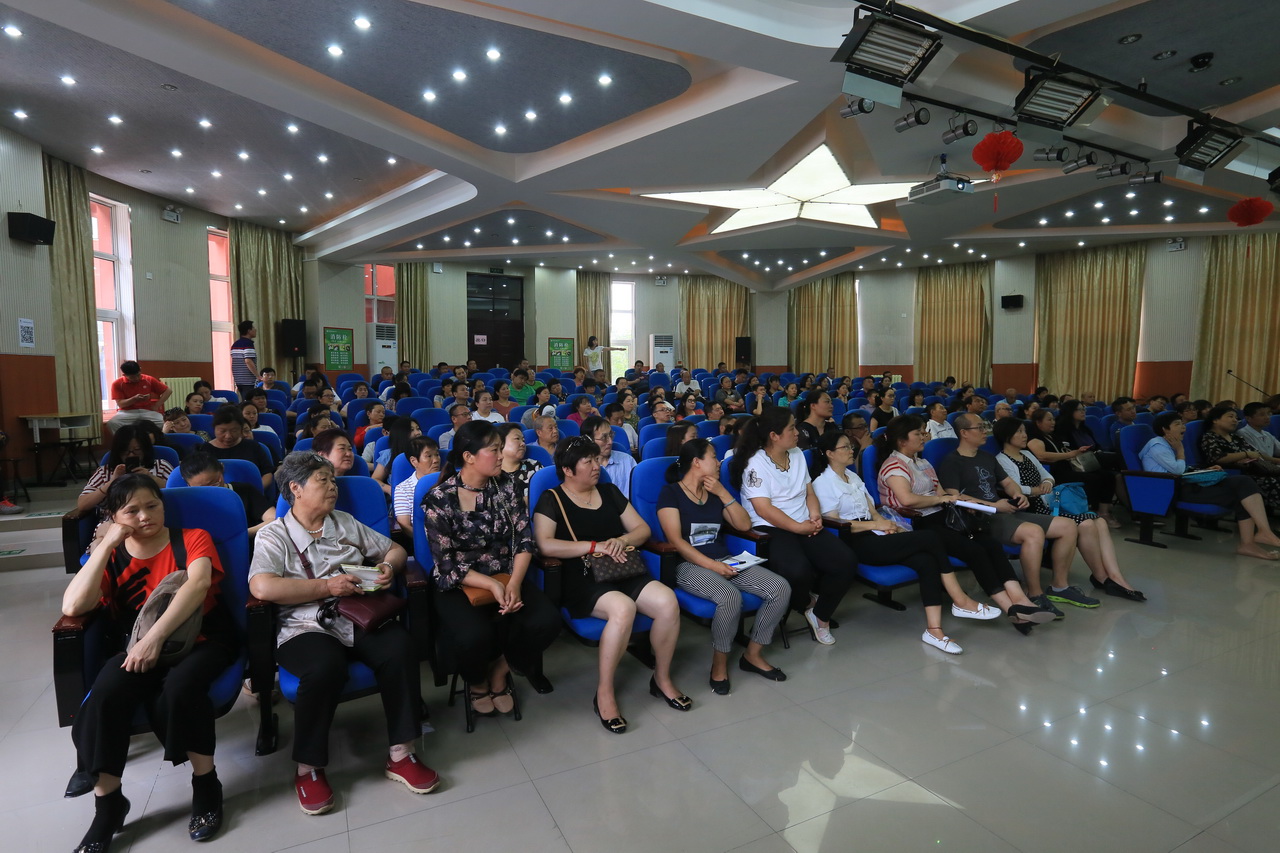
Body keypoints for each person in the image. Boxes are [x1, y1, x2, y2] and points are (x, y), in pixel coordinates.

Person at [249, 452, 438, 815]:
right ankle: (308, 768)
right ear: (295, 489)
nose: (333, 487)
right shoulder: (274, 535)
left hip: (355, 614)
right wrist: (326, 587)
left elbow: (395, 549)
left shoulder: (344, 522)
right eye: (323, 480)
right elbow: (262, 587)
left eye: (333, 480)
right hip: (303, 623)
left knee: (399, 647)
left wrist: (387, 567)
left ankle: (402, 753)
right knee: (324, 667)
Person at [62, 474, 235, 848]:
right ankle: (109, 805)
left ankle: (206, 785)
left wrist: (154, 639)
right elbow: (73, 606)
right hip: (135, 644)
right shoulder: (112, 555)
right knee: (105, 695)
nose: (145, 516)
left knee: (181, 688)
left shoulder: (192, 537)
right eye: (132, 511)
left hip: (200, 638)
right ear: (114, 517)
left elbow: (197, 585)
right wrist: (106, 545)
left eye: (152, 506)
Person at [534, 435, 689, 733]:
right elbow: (545, 544)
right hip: (582, 576)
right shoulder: (551, 499)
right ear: (567, 470)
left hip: (622, 568)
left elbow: (642, 529)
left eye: (596, 459)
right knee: (623, 608)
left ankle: (662, 678)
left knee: (667, 601)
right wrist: (595, 546)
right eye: (588, 461)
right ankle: (604, 692)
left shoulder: (609, 491)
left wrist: (621, 540)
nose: (597, 466)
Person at [812, 431, 997, 654]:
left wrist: (888, 525)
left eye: (851, 446)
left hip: (875, 533)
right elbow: (836, 524)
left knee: (926, 561)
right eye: (845, 447)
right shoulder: (823, 483)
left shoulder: (852, 477)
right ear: (830, 453)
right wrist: (875, 525)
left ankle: (934, 631)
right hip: (854, 542)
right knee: (930, 537)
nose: (852, 451)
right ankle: (960, 599)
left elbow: (872, 510)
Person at [423, 421, 560, 715]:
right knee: (474, 636)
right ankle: (477, 681)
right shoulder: (440, 498)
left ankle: (500, 669)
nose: (501, 456)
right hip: (459, 581)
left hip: (505, 573)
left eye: (501, 449)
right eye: (494, 450)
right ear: (469, 456)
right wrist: (492, 585)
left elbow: (523, 540)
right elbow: (446, 562)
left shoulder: (507, 486)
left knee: (547, 621)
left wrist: (514, 583)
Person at [875, 416, 1054, 635]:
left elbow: (941, 492)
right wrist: (941, 500)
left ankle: (1021, 599)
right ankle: (1011, 609)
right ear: (902, 440)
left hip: (943, 515)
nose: (924, 437)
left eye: (923, 432)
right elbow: (908, 500)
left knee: (990, 544)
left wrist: (959, 501)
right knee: (974, 550)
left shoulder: (922, 462)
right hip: (916, 523)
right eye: (918, 434)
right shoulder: (894, 466)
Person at [658, 439, 791, 692]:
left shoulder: (716, 492)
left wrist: (723, 493)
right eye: (713, 457)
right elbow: (675, 541)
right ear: (696, 462)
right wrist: (712, 566)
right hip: (688, 564)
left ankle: (752, 654)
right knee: (729, 597)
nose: (718, 462)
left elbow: (743, 525)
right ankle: (719, 664)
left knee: (780, 587)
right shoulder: (671, 493)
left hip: (724, 559)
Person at [940, 414, 1095, 617]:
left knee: (1068, 526)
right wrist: (994, 506)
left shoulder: (986, 457)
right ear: (964, 433)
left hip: (1004, 512)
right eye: (980, 427)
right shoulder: (952, 462)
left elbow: (1007, 483)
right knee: (1034, 532)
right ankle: (1035, 593)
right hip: (981, 519)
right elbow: (954, 497)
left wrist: (1017, 494)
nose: (985, 431)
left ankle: (1059, 586)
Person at [728, 406, 857, 645]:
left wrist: (815, 514)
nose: (797, 432)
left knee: (845, 561)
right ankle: (806, 603)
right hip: (770, 528)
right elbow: (763, 509)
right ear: (774, 436)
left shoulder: (796, 453)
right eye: (791, 428)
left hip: (804, 522)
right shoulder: (755, 463)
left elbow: (809, 492)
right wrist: (798, 528)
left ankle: (820, 615)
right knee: (798, 572)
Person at [994, 418, 1144, 602]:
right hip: (1032, 509)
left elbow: (1048, 476)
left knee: (1099, 521)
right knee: (1086, 524)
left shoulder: (1027, 454)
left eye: (1024, 431)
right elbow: (1017, 488)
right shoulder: (1002, 460)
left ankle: (1114, 576)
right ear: (1006, 435)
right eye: (1019, 432)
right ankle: (1102, 578)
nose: (1024, 435)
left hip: (1047, 505)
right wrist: (1038, 489)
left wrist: (1046, 483)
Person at [1142, 413, 1280, 560]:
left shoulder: (1167, 444)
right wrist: (1180, 451)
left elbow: (1179, 469)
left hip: (1184, 484)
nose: (1183, 427)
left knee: (1243, 483)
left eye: (1182, 423)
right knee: (1241, 491)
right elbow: (1177, 470)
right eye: (1177, 424)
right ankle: (1254, 539)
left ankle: (1256, 538)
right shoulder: (1157, 446)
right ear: (1165, 430)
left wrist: (1204, 470)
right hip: (1172, 490)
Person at [78, 424, 173, 523]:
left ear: (145, 449)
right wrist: (111, 482)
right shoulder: (105, 472)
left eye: (137, 450)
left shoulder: (161, 466)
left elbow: (177, 494)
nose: (131, 455)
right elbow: (82, 505)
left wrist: (151, 478)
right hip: (114, 523)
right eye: (125, 451)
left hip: (154, 521)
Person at [1050, 400, 1120, 527]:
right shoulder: (1061, 429)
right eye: (1080, 410)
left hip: (1088, 463)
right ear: (1070, 412)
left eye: (1084, 409)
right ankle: (1090, 511)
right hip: (1069, 466)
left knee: (1109, 476)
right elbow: (1066, 451)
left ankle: (1103, 512)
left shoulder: (1084, 429)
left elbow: (1096, 446)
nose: (1083, 412)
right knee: (1095, 478)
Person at [1200, 404, 1280, 511]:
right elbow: (1218, 458)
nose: (1235, 420)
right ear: (1215, 420)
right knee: (1270, 481)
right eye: (1230, 416)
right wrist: (1245, 454)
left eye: (1236, 417)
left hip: (1251, 469)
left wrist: (1276, 460)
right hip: (1232, 473)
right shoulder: (1210, 437)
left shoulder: (1235, 437)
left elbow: (1256, 453)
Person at [180, 451, 274, 537]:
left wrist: (241, 535)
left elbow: (273, 518)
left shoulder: (245, 491)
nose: (211, 491)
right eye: (202, 489)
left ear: (222, 469)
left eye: (215, 483)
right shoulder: (186, 502)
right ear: (188, 485)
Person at [392, 436, 440, 532]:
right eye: (429, 456)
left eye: (437, 454)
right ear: (414, 461)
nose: (436, 460)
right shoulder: (403, 489)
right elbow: (405, 525)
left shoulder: (450, 481)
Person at [108, 361, 171, 431]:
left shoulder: (149, 379)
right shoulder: (117, 384)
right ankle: (125, 438)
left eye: (138, 375)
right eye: (132, 377)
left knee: (165, 423)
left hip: (147, 411)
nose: (136, 379)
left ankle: (158, 438)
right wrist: (134, 399)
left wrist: (157, 405)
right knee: (113, 423)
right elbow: (121, 404)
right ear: (124, 375)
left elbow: (168, 391)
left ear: (140, 370)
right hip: (127, 412)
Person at [582, 415, 636, 496]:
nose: (610, 442)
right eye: (604, 437)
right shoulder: (582, 467)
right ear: (589, 440)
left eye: (611, 435)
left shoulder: (628, 460)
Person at [495, 422, 541, 505]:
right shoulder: (492, 473)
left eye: (523, 440)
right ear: (501, 443)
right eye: (517, 439)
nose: (523, 444)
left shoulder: (534, 466)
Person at [230, 320, 258, 399]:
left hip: (238, 379)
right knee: (249, 401)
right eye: (253, 328)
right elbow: (248, 361)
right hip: (248, 380)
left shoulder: (235, 344)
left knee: (244, 400)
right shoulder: (248, 343)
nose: (255, 329)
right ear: (249, 331)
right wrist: (258, 376)